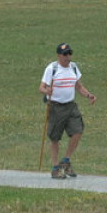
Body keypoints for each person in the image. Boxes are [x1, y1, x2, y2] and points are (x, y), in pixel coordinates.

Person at [39, 43, 96, 179]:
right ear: (59, 55)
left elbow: (78, 86)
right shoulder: (52, 69)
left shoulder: (74, 68)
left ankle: (66, 161)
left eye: (69, 53)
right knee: (55, 137)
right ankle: (55, 168)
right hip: (56, 106)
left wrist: (89, 95)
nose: (68, 56)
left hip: (70, 106)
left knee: (77, 131)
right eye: (65, 54)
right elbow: (41, 87)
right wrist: (47, 90)